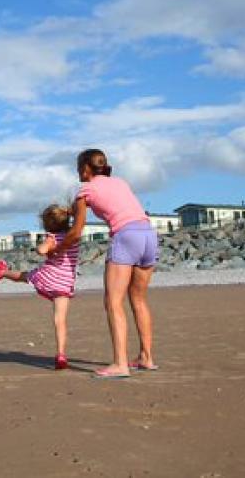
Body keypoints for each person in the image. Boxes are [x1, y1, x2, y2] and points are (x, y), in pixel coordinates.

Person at [71, 149, 158, 379]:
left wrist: (57, 249)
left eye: (79, 167)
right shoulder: (120, 182)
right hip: (148, 234)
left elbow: (76, 231)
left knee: (113, 302)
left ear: (86, 168)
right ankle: (146, 358)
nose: (78, 172)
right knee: (138, 299)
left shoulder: (85, 190)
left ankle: (120, 364)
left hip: (126, 236)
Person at [0, 205, 80, 370]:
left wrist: (46, 247)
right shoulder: (74, 237)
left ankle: (2, 272)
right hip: (65, 283)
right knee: (60, 320)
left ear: (47, 225)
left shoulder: (52, 237)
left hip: (48, 277)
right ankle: (61, 354)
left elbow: (41, 250)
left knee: (24, 276)